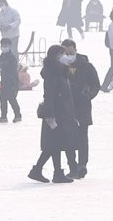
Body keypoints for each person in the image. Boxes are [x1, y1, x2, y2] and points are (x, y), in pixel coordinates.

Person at [28, 45, 77, 184]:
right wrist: (50, 114)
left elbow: (73, 75)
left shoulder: (60, 71)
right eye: (62, 54)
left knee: (55, 144)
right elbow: (49, 94)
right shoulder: (53, 73)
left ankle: (48, 171)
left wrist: (70, 65)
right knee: (54, 144)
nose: (65, 56)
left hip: (61, 112)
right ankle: (46, 171)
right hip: (56, 113)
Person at [61, 39, 100, 179]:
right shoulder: (60, 65)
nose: (68, 54)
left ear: (75, 49)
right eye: (65, 52)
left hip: (82, 106)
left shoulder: (86, 66)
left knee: (82, 136)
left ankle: (82, 164)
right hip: (65, 106)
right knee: (68, 138)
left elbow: (96, 84)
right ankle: (72, 165)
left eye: (70, 51)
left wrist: (88, 95)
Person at [0, 37, 21, 123]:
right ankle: (3, 116)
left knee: (11, 98)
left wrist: (3, 69)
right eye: (2, 45)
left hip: (12, 81)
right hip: (4, 82)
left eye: (5, 45)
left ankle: (18, 115)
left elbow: (13, 70)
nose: (4, 47)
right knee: (2, 99)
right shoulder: (0, 58)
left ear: (9, 46)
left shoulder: (12, 58)